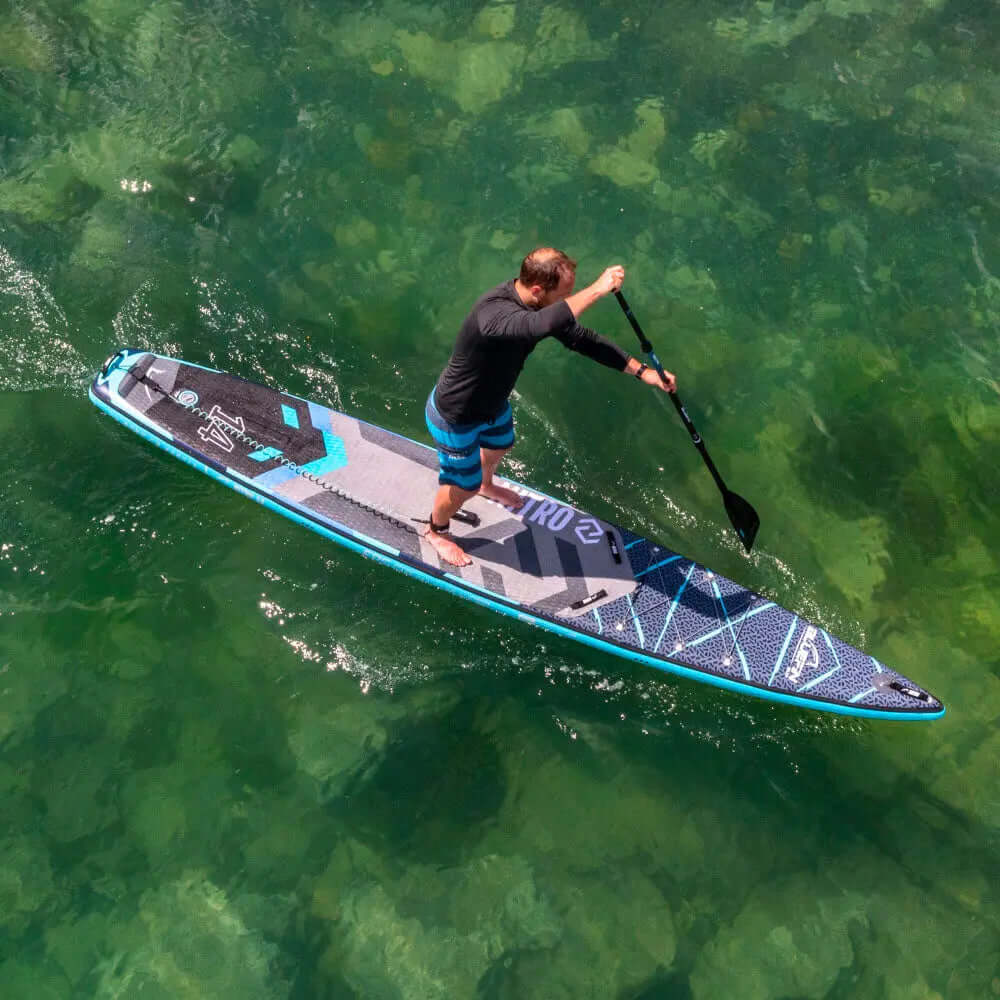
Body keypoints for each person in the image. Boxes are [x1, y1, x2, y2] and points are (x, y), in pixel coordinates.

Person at [423, 247, 677, 566]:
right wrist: (598, 289)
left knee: (502, 444)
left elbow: (583, 339)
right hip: (456, 415)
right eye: (564, 294)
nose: (568, 300)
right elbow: (536, 327)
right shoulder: (494, 313)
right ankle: (436, 530)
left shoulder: (538, 305)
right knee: (463, 484)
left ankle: (487, 484)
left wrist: (645, 372)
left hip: (492, 405)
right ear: (538, 289)